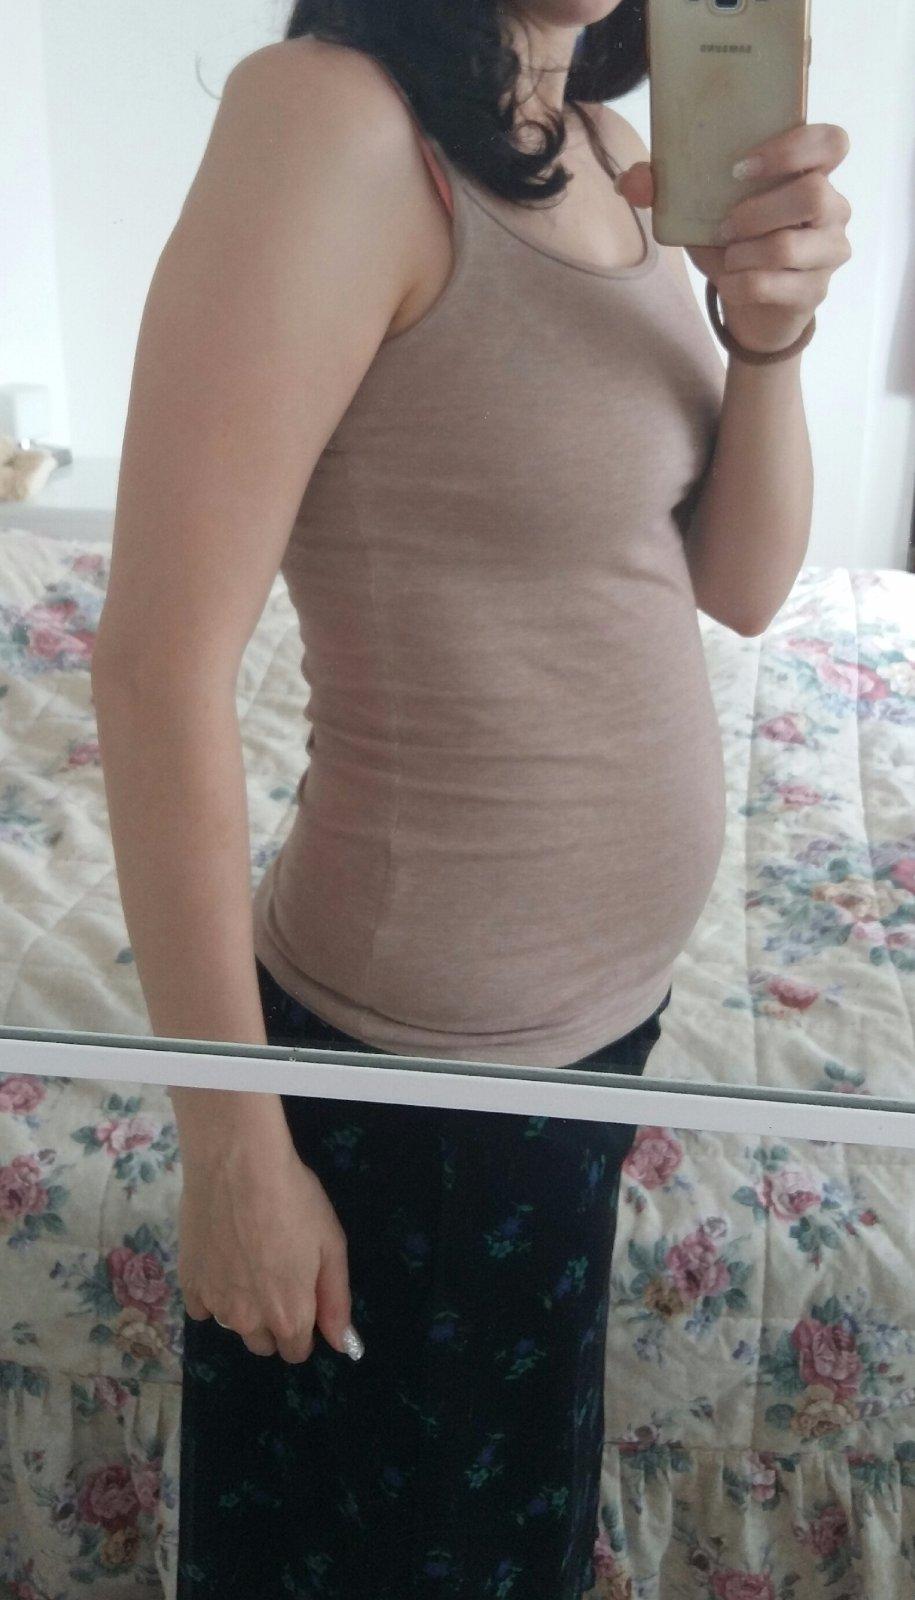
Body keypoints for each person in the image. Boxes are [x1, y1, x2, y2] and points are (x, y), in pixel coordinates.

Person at [91, 1, 850, 1595]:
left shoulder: (609, 150)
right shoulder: (330, 120)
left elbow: (739, 582)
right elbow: (159, 667)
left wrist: (770, 339)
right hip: (411, 1095)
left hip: (586, 1054)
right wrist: (232, 1151)